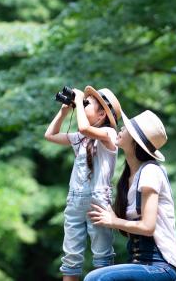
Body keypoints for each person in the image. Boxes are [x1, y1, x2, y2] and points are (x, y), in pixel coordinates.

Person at [84, 110, 176, 281]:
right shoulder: (128, 177)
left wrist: (114, 221)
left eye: (128, 128)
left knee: (96, 279)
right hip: (140, 263)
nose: (122, 128)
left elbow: (148, 227)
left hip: (161, 265)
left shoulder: (150, 171)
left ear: (137, 141)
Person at [44, 86, 123, 280]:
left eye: (88, 104)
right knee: (71, 258)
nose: (83, 105)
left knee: (102, 256)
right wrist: (63, 112)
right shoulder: (81, 138)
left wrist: (79, 101)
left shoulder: (109, 134)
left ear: (102, 113)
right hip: (75, 200)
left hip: (98, 200)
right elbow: (50, 135)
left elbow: (83, 127)